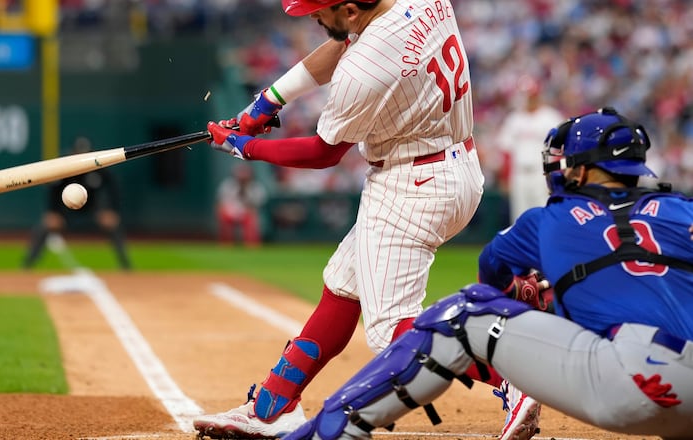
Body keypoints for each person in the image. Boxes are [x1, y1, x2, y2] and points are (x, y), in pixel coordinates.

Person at [279, 107, 693, 440]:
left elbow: (490, 275)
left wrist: (524, 291)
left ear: (580, 171)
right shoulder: (683, 210)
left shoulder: (547, 219)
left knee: (463, 313)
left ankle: (332, 431)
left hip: (630, 385)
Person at [194, 0, 485, 438]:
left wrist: (243, 146)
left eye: (319, 11)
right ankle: (274, 405)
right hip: (455, 165)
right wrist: (269, 101)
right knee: (343, 286)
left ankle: (515, 372)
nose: (312, 17)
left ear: (350, 9)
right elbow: (344, 44)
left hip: (411, 184)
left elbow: (323, 152)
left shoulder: (364, 67)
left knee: (391, 333)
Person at [22, 136, 132, 271]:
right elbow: (52, 190)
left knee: (113, 225)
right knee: (44, 227)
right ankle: (27, 267)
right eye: (79, 153)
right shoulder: (63, 168)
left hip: (91, 213)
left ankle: (126, 268)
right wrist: (52, 212)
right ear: (72, 153)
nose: (82, 156)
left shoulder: (97, 167)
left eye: (85, 153)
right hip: (65, 214)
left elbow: (112, 186)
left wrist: (111, 210)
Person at [495, 75, 564, 224]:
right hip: (519, 174)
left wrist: (557, 176)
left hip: (542, 174)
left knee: (544, 215)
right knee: (519, 218)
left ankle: (544, 246)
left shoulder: (550, 117)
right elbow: (506, 151)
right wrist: (505, 177)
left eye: (529, 95)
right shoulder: (513, 119)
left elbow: (560, 150)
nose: (526, 99)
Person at [216, 163, 268, 247]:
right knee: (223, 215)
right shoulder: (228, 185)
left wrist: (245, 194)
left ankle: (251, 246)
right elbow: (221, 203)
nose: (242, 176)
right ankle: (226, 245)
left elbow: (258, 204)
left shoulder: (256, 187)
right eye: (240, 173)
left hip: (247, 213)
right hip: (230, 213)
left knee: (252, 217)